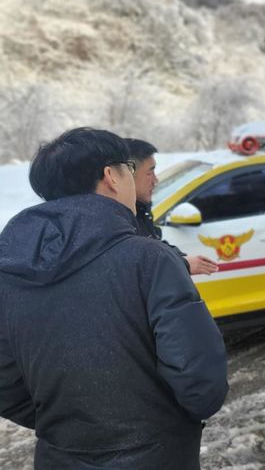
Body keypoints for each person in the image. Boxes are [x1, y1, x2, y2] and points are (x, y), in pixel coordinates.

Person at [0, 127, 228, 469]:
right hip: (157, 455)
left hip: (58, 455)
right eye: (131, 169)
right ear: (111, 176)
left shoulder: (9, 268)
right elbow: (201, 386)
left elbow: (5, 380)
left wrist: (69, 426)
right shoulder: (149, 260)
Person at [125, 138, 219, 276]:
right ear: (126, 175)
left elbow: (155, 246)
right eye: (150, 173)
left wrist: (181, 259)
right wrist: (183, 264)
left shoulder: (140, 210)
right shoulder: (119, 220)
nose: (155, 181)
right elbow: (138, 269)